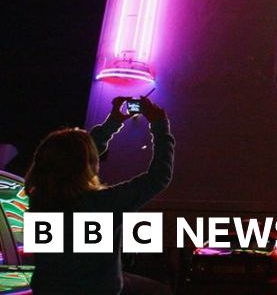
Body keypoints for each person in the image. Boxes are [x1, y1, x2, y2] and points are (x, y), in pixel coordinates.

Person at [25, 96, 174, 295]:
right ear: (87, 164)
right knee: (159, 291)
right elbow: (159, 177)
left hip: (47, 289)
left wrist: (113, 122)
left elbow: (74, 157)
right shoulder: (103, 204)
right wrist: (159, 125)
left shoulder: (39, 199)